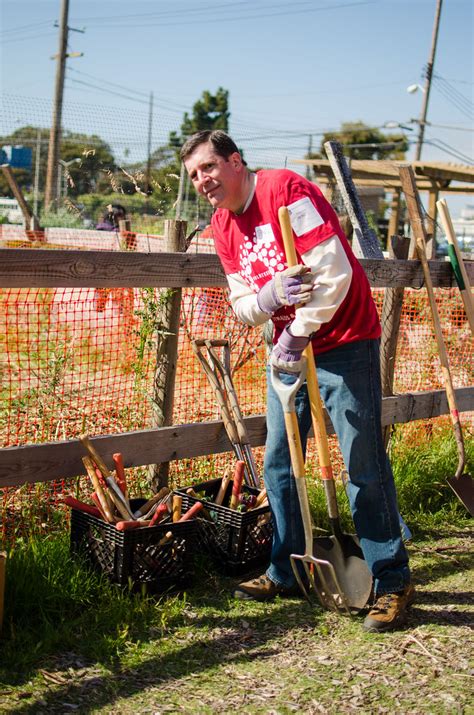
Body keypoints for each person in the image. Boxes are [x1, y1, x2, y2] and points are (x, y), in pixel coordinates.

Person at [181, 130, 414, 632]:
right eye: (194, 175)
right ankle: (285, 568)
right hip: (286, 350)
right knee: (279, 462)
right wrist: (268, 300)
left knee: (362, 464)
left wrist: (301, 331)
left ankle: (391, 580)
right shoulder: (223, 225)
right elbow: (243, 303)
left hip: (343, 340)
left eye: (208, 167)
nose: (202, 180)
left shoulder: (286, 191)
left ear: (235, 161)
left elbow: (334, 274)